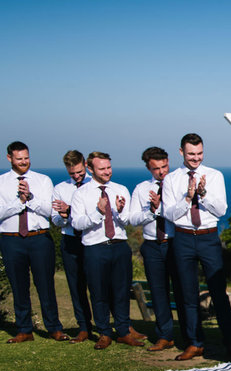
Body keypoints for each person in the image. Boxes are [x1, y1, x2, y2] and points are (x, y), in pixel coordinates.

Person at [162, 133, 231, 361]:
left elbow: (221, 210)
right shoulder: (171, 180)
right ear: (181, 152)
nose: (195, 158)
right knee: (187, 294)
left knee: (219, 292)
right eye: (191, 154)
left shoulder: (215, 176)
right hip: (183, 238)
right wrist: (188, 198)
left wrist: (203, 195)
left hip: (208, 238)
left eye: (199, 153)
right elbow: (169, 214)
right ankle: (194, 343)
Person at [70, 152, 144, 350]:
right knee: (98, 292)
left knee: (121, 291)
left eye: (109, 167)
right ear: (90, 168)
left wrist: (119, 211)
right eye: (102, 169)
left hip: (119, 246)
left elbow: (127, 220)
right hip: (95, 249)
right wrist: (98, 212)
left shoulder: (120, 189)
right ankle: (104, 333)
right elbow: (77, 223)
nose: (107, 172)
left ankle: (123, 332)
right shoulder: (81, 194)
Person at [0, 141, 68, 343]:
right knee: (18, 286)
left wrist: (30, 198)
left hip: (39, 238)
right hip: (11, 239)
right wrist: (18, 202)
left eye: (26, 158)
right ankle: (24, 330)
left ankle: (54, 328)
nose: (23, 162)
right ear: (9, 158)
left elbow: (50, 211)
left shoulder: (43, 180)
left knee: (46, 285)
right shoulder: (1, 182)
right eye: (19, 159)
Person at [130, 146, 188, 352]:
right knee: (158, 291)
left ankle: (189, 337)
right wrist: (152, 211)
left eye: (164, 166)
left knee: (182, 290)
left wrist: (164, 209)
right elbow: (133, 218)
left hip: (175, 242)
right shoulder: (140, 189)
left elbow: (184, 213)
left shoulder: (178, 185)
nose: (162, 172)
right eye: (156, 169)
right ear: (148, 168)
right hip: (152, 244)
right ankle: (165, 335)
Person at [51, 150, 94, 343]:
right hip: (70, 241)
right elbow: (54, 219)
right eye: (72, 174)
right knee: (76, 286)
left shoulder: (96, 185)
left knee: (99, 285)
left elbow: (95, 215)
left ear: (85, 164)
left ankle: (110, 326)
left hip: (92, 239)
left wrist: (70, 211)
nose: (76, 176)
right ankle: (84, 327)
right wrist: (63, 217)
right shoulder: (60, 188)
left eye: (79, 172)